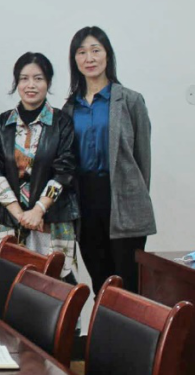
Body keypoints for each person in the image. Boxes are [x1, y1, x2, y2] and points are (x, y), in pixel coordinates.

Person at [62, 26, 154, 294]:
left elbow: (143, 160)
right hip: (85, 201)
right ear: (75, 60)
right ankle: (104, 323)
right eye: (81, 52)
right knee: (101, 282)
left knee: (128, 285)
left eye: (95, 50)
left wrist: (135, 198)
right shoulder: (70, 107)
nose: (89, 58)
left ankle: (130, 324)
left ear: (108, 55)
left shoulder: (130, 100)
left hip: (123, 200)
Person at [0, 52, 79, 280]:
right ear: (16, 83)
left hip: (52, 221)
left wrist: (38, 210)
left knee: (54, 287)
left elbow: (64, 170)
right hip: (8, 220)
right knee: (7, 286)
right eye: (24, 78)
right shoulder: (2, 123)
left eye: (38, 78)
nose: (31, 85)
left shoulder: (62, 123)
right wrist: (19, 213)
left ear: (48, 83)